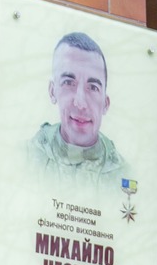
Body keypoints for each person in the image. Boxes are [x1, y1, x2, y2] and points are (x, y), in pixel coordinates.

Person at [27, 31, 132, 182]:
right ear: (52, 91)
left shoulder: (124, 176)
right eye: (69, 83)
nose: (80, 103)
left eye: (93, 87)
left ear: (105, 104)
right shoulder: (25, 159)